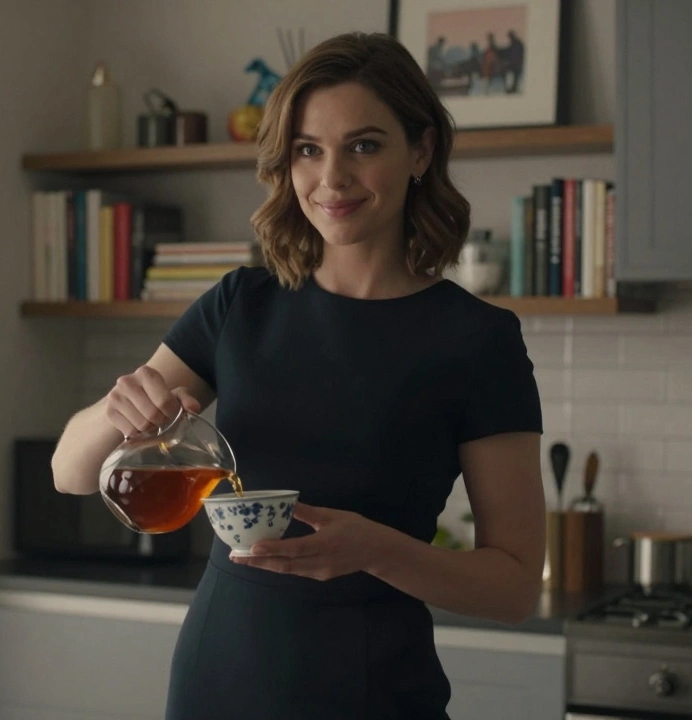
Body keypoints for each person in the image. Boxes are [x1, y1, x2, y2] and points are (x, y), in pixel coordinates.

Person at [51, 31, 544, 720]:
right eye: (309, 150)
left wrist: (377, 550)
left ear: (421, 151)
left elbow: (516, 588)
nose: (331, 178)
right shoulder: (240, 305)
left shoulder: (477, 340)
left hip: (370, 692)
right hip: (218, 678)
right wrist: (118, 412)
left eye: (364, 145)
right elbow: (71, 473)